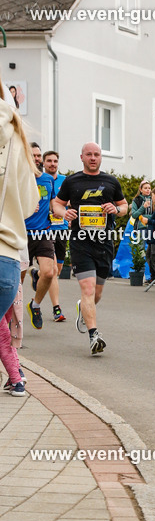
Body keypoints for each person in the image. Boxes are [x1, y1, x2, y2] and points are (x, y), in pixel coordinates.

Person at [52, 142, 128, 354]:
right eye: (89, 154)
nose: (93, 158)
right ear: (82, 157)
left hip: (104, 242)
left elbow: (124, 206)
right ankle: (94, 335)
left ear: (101, 157)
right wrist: (63, 213)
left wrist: (116, 209)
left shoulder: (111, 181)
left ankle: (83, 308)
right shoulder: (72, 181)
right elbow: (56, 203)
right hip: (81, 241)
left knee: (97, 293)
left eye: (96, 154)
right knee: (87, 288)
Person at [0, 85, 40, 393]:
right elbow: (29, 205)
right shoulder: (17, 138)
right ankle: (16, 376)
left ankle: (15, 376)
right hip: (7, 258)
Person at [24, 156, 60, 332]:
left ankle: (35, 305)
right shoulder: (19, 177)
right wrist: (26, 207)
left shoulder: (47, 179)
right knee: (17, 281)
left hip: (43, 232)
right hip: (22, 233)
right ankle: (11, 320)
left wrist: (59, 211)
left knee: (49, 272)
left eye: (39, 155)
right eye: (33, 155)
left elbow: (53, 201)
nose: (36, 158)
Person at [42, 150, 67, 320]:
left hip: (62, 229)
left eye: (55, 161)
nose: (52, 164)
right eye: (49, 161)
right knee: (51, 269)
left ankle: (38, 275)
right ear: (43, 163)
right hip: (45, 230)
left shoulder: (65, 181)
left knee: (57, 270)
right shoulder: (39, 180)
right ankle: (57, 308)